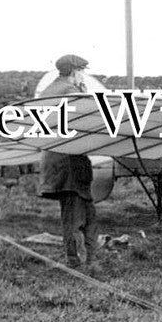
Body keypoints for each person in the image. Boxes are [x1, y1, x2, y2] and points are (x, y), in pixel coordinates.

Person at [38, 54, 99, 268]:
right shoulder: (70, 91)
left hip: (61, 162)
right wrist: (83, 91)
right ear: (74, 72)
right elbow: (90, 113)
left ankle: (89, 259)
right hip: (68, 164)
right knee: (75, 216)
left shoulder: (52, 89)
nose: (83, 75)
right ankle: (76, 262)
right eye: (81, 71)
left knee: (86, 213)